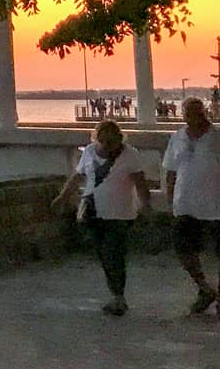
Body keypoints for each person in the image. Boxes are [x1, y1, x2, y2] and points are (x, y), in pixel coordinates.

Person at [163, 97, 220, 321]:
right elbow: (171, 170)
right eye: (189, 112)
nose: (194, 116)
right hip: (186, 204)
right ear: (183, 115)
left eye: (198, 112)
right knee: (184, 250)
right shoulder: (177, 137)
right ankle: (205, 288)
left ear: (205, 112)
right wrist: (170, 197)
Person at [54, 120, 151, 315]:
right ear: (96, 139)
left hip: (120, 213)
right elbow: (78, 176)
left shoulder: (130, 154)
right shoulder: (89, 152)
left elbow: (140, 182)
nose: (106, 145)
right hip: (94, 212)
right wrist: (62, 197)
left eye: (111, 141)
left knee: (114, 252)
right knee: (104, 254)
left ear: (119, 139)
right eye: (102, 141)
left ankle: (118, 296)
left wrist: (145, 205)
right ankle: (115, 294)